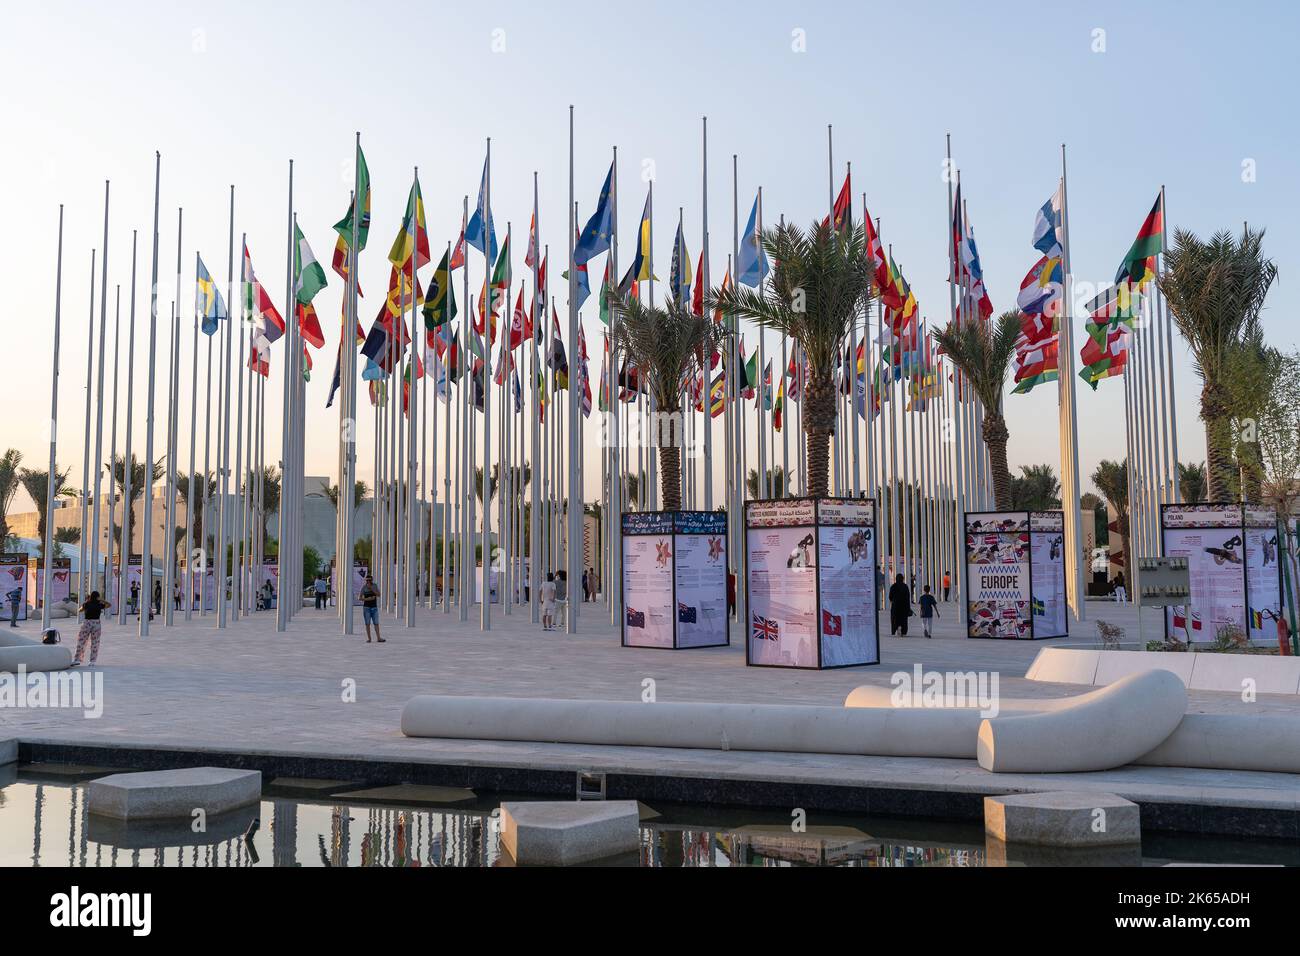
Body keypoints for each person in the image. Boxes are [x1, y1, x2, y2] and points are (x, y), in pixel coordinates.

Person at [73, 591, 111, 666]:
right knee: (95, 642)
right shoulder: (100, 604)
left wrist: (86, 602)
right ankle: (92, 661)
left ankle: (77, 659)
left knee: (81, 641)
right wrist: (101, 600)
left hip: (87, 623)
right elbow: (109, 605)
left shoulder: (86, 604)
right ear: (97, 597)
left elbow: (79, 610)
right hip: (96, 624)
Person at [359, 574, 384, 643]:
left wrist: (372, 589)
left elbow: (379, 595)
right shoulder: (363, 587)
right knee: (367, 624)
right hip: (366, 608)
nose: (368, 582)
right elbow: (359, 598)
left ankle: (378, 638)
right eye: (367, 580)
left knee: (376, 623)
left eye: (370, 580)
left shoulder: (374, 586)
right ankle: (369, 638)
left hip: (374, 607)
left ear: (372, 580)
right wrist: (367, 599)